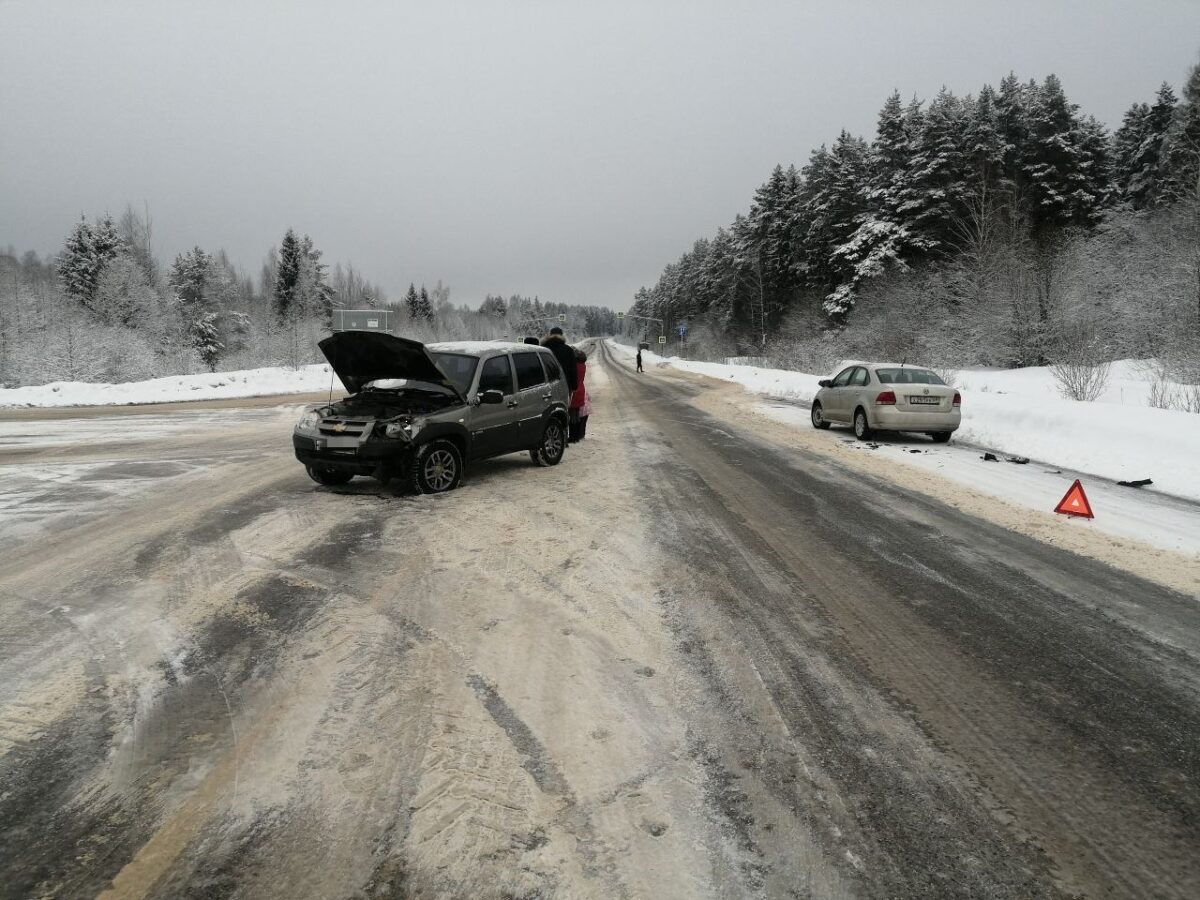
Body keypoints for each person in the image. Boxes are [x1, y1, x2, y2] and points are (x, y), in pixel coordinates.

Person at [541, 326, 578, 394]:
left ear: (550, 335)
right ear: (561, 335)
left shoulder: (543, 349)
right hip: (564, 384)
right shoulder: (568, 350)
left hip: (545, 386)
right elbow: (573, 369)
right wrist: (574, 386)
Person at [569, 347, 589, 442]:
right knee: (576, 414)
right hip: (581, 390)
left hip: (574, 391)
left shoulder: (574, 366)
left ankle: (573, 437)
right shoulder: (582, 365)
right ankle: (577, 436)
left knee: (572, 415)